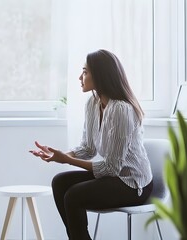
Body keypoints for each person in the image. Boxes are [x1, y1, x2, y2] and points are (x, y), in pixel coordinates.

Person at [29, 49, 153, 240]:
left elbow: (111, 168)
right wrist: (61, 154)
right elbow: (88, 148)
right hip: (115, 177)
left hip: (134, 183)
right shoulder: (93, 103)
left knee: (73, 196)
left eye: (85, 72)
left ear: (101, 76)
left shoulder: (121, 110)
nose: (80, 77)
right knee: (60, 182)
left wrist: (67, 161)